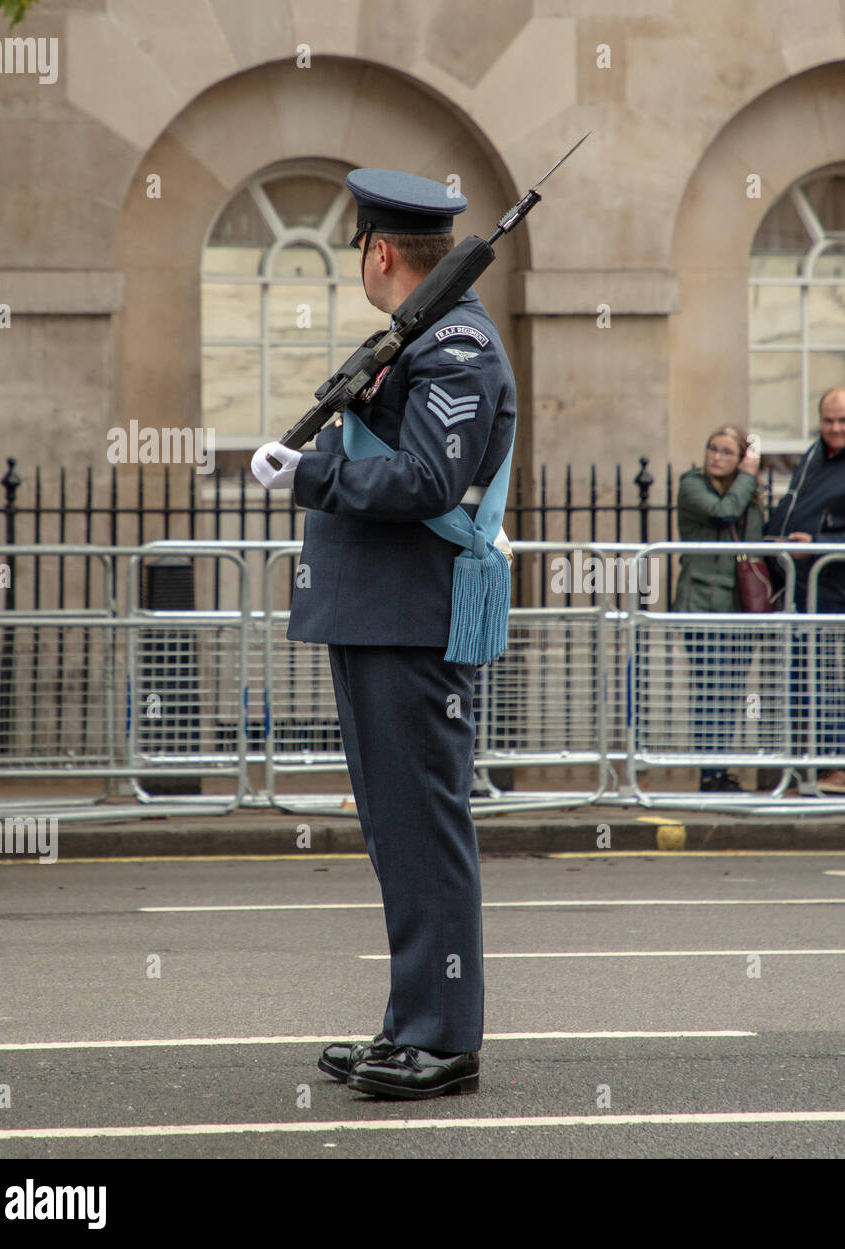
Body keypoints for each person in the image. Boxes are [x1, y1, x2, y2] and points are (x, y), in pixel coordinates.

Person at [251, 169, 517, 1096]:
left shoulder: (458, 346)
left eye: (360, 248)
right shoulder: (417, 339)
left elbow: (424, 483)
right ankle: (412, 1021)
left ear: (381, 250)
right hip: (380, 615)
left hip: (411, 619)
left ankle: (444, 1036)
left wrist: (311, 471)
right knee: (395, 831)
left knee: (425, 826)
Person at [763, 385, 845, 794]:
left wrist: (818, 547)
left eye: (843, 421)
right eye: (827, 421)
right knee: (801, 676)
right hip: (795, 582)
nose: (834, 428)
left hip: (831, 586)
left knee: (819, 677)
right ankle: (808, 768)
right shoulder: (819, 453)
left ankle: (837, 767)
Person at [672, 426, 765, 791]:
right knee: (709, 689)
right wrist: (747, 476)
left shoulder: (748, 495)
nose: (716, 456)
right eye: (713, 448)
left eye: (727, 451)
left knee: (732, 691)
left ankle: (721, 767)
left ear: (740, 456)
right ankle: (709, 772)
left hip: (741, 607)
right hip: (702, 604)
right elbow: (723, 513)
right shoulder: (691, 485)